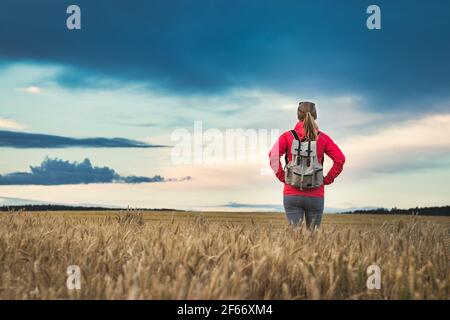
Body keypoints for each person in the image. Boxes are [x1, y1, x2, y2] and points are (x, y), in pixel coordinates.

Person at [269, 101, 345, 228]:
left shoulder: (287, 136)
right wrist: (326, 180)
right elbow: (340, 159)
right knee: (313, 239)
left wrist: (283, 177)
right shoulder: (323, 138)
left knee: (295, 237)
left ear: (298, 115)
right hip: (316, 193)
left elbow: (273, 156)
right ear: (315, 115)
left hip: (292, 192)